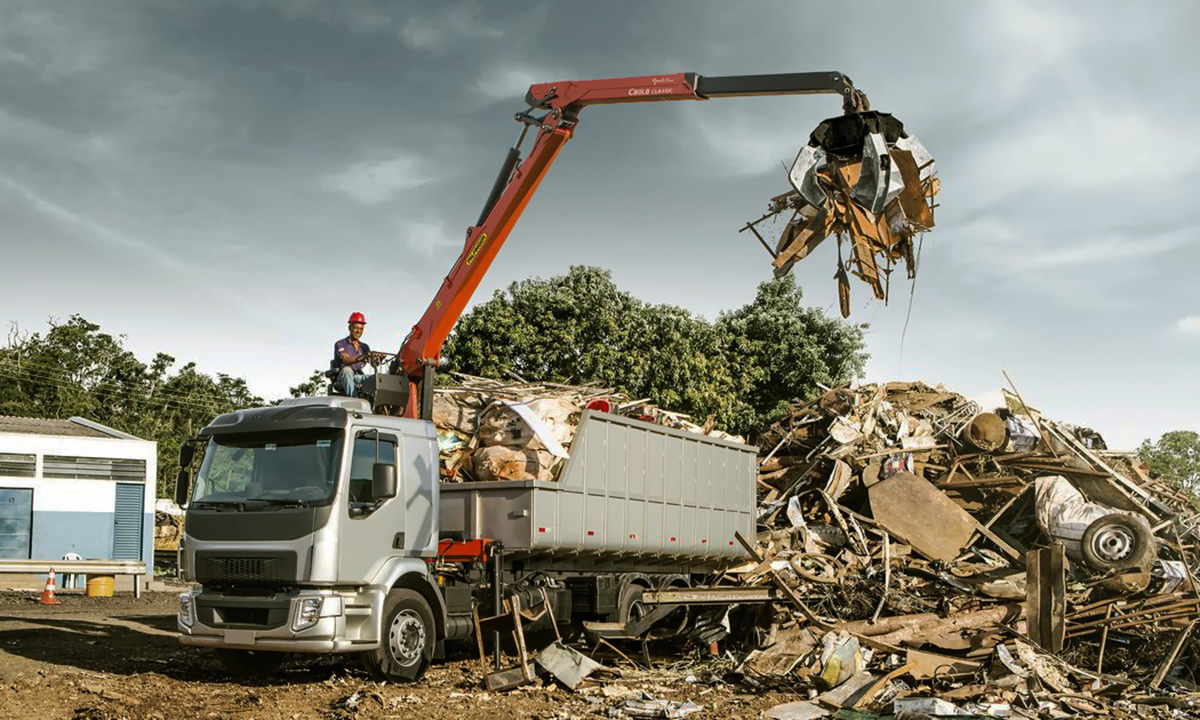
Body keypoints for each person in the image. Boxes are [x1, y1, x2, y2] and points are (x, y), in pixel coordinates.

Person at [333, 312, 372, 398]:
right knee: (347, 370)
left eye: (361, 329)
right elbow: (346, 359)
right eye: (356, 328)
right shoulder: (340, 344)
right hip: (343, 377)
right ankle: (355, 401)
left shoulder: (364, 347)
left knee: (376, 379)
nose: (359, 331)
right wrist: (363, 357)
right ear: (349, 327)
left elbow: (372, 363)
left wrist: (376, 359)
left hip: (358, 376)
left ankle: (377, 407)